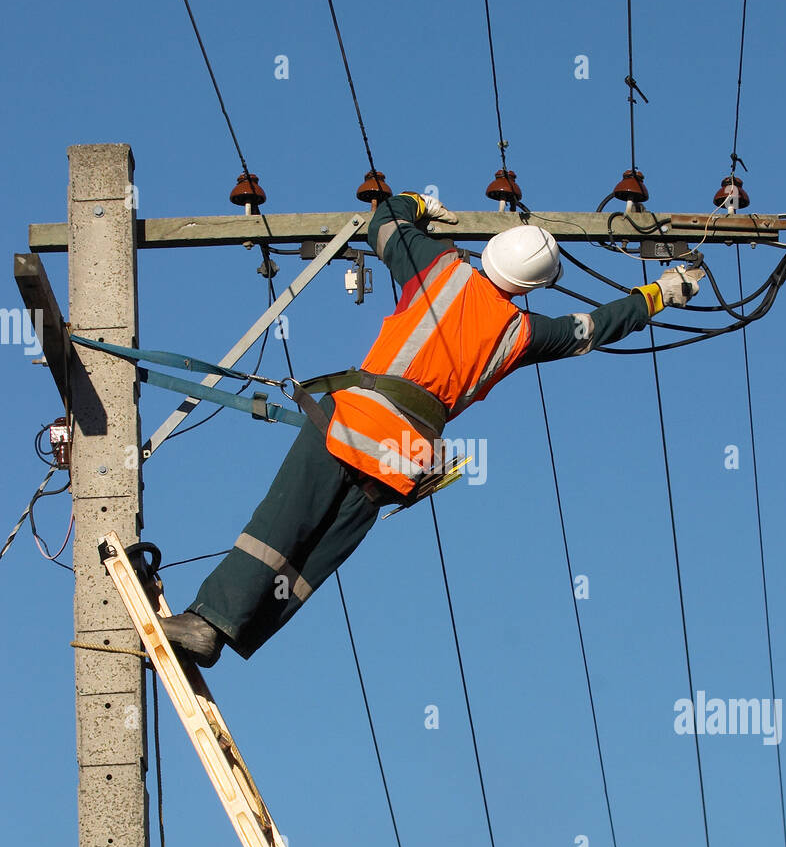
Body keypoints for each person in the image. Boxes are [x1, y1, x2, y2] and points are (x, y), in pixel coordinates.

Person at [160, 190, 702, 666]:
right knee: (318, 550)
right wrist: (659, 293)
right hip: (403, 458)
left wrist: (421, 204)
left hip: (355, 421)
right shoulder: (523, 332)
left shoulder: (439, 267)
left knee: (283, 522)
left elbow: (385, 222)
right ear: (533, 286)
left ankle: (208, 625)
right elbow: (593, 328)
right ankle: (237, 633)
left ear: (489, 253)